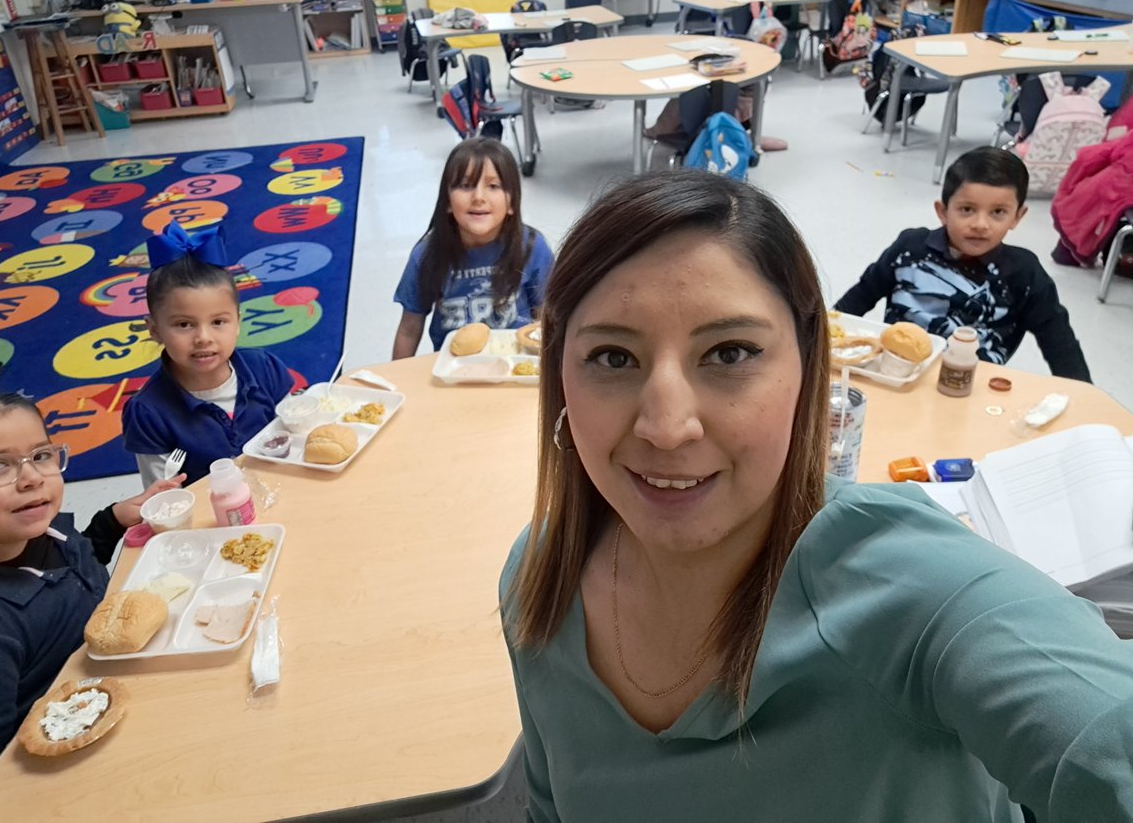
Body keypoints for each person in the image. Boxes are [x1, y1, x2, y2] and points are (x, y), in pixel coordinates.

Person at [500, 170, 1133, 821]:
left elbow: (1103, 736)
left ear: (808, 365)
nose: (666, 427)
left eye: (730, 353)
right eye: (612, 357)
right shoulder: (539, 580)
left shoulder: (903, 582)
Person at [0, 391, 183, 805]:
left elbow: (73, 568)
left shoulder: (37, 532)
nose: (32, 478)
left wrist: (112, 521)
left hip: (122, 685)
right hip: (68, 768)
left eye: (41, 455)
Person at [834, 146, 1090, 381]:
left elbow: (1059, 343)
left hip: (974, 387)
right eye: (967, 209)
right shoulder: (910, 248)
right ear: (943, 211)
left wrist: (1084, 395)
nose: (980, 224)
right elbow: (862, 295)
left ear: (1017, 217)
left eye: (998, 212)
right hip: (896, 375)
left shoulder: (1024, 272)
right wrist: (824, 335)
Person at [122, 223, 294, 487]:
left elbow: (295, 435)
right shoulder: (149, 412)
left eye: (218, 322)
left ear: (237, 322)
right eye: (184, 324)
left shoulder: (264, 368)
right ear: (154, 329)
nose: (203, 337)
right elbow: (165, 496)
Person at [392, 138, 554, 357]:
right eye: (466, 185)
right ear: (447, 201)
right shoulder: (427, 254)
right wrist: (397, 377)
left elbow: (547, 318)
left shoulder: (532, 247)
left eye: (493, 186)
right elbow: (409, 330)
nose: (478, 197)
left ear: (512, 203)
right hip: (453, 366)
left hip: (515, 364)